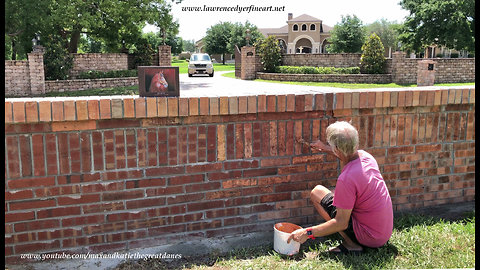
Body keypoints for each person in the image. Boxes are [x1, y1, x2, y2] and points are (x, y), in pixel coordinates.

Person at [287, 121, 393, 254]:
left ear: (337, 149)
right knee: (318, 192)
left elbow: (341, 222)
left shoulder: (347, 178)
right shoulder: (366, 157)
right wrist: (325, 147)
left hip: (370, 238)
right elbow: (346, 153)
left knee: (323, 200)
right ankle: (349, 237)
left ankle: (351, 244)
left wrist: (307, 232)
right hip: (383, 233)